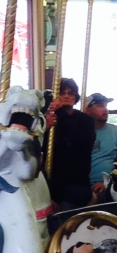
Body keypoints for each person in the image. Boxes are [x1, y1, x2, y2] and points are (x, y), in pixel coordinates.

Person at [44, 78, 96, 211]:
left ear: (75, 97)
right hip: (51, 180)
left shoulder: (85, 120)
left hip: (76, 182)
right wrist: (45, 128)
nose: (66, 96)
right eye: (62, 93)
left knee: (66, 205)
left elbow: (80, 143)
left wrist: (61, 112)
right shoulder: (49, 120)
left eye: (71, 93)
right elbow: (39, 147)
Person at [86, 92, 117, 201]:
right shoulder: (80, 132)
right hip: (83, 183)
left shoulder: (114, 131)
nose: (105, 110)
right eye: (100, 106)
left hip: (109, 184)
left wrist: (108, 181)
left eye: (105, 106)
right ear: (88, 110)